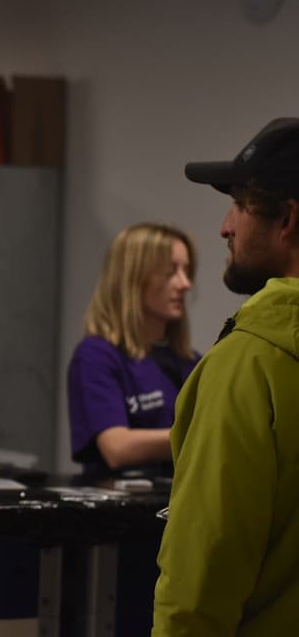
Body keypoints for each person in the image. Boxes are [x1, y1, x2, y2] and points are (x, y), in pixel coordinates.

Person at [152, 118, 299, 635]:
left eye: (239, 204)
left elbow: (203, 575)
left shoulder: (250, 365)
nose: (225, 226)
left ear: (287, 221)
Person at [67, 223, 199, 477]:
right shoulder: (97, 357)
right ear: (133, 278)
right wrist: (201, 434)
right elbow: (117, 448)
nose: (185, 284)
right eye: (171, 272)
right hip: (123, 513)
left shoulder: (191, 362)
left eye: (187, 271)